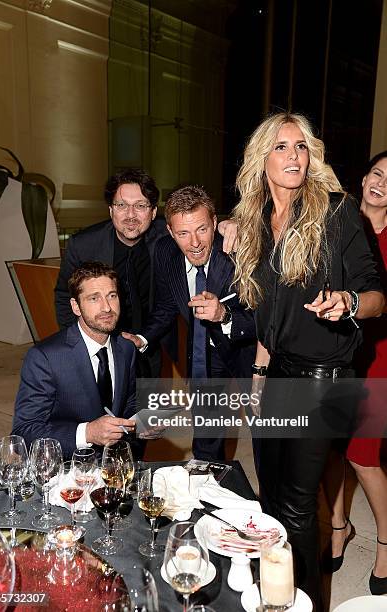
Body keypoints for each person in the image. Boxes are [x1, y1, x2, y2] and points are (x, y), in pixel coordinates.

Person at [231, 112, 384, 611]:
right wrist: (257, 374)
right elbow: (268, 318)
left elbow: (379, 294)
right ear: (262, 159)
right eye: (281, 146)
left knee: (298, 508)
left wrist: (348, 302)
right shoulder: (256, 222)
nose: (293, 155)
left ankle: (307, 605)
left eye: (300, 146)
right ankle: (278, 599)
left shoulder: (335, 212)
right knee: (269, 499)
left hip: (324, 379)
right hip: (277, 372)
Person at [122, 185, 256, 460]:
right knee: (206, 432)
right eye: (183, 233)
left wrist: (224, 315)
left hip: (250, 350)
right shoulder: (164, 252)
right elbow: (167, 305)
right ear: (171, 232)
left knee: (267, 432)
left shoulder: (239, 248)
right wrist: (143, 338)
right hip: (202, 352)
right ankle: (208, 489)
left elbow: (268, 315)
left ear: (216, 223)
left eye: (202, 230)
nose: (194, 243)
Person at [323, 151, 387, 596]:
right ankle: (339, 525)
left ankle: (386, 541)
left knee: (363, 456)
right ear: (364, 176)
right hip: (332, 353)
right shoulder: (337, 221)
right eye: (378, 173)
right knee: (330, 451)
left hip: (380, 356)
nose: (381, 183)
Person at [54, 168, 174, 377]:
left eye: (140, 206)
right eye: (121, 205)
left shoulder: (168, 237)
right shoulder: (84, 245)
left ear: (153, 212)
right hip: (100, 345)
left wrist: (229, 226)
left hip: (149, 343)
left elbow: (202, 227)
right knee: (103, 407)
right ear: (111, 210)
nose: (130, 215)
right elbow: (65, 296)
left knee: (146, 405)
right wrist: (85, 344)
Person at [13, 262, 136, 460]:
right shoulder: (45, 357)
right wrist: (87, 433)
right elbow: (23, 432)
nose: (107, 307)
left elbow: (129, 404)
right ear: (75, 307)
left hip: (115, 465)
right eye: (94, 298)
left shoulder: (126, 347)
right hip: (66, 471)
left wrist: (141, 425)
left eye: (112, 296)